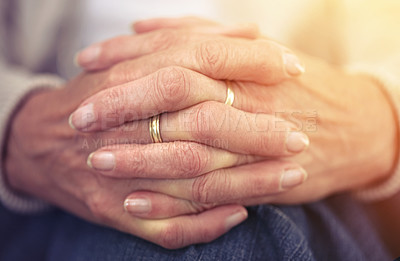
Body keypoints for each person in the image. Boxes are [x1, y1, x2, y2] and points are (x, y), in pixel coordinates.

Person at [0, 0, 399, 260]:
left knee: (237, 228)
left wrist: (374, 118)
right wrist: (20, 128)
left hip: (322, 175)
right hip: (42, 190)